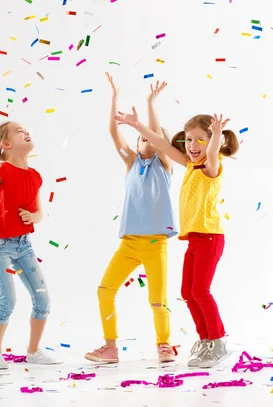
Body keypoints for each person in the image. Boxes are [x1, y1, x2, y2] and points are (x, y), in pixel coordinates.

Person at [115, 108, 239, 368]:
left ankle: (218, 341)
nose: (192, 145)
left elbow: (213, 152)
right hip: (195, 240)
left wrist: (215, 136)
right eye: (188, 140)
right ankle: (205, 341)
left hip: (210, 237)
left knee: (201, 291)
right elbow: (160, 143)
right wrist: (138, 126)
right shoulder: (192, 165)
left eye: (199, 140)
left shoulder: (211, 166)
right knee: (188, 292)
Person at [84, 73, 178, 364]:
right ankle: (110, 347)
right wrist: (113, 98)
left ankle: (164, 345)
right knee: (104, 291)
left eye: (152, 136)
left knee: (157, 301)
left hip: (155, 244)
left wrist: (151, 103)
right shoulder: (130, 161)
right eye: (141, 137)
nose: (146, 139)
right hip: (128, 244)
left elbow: (158, 137)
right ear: (137, 145)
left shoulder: (165, 164)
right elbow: (115, 135)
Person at [0, 121, 59, 369]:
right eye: (20, 131)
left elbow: (39, 212)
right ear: (6, 145)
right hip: (0, 245)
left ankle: (33, 351)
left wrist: (33, 218)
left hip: (24, 246)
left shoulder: (35, 176)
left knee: (43, 299)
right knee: (8, 301)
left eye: (27, 130)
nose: (27, 132)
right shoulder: (3, 170)